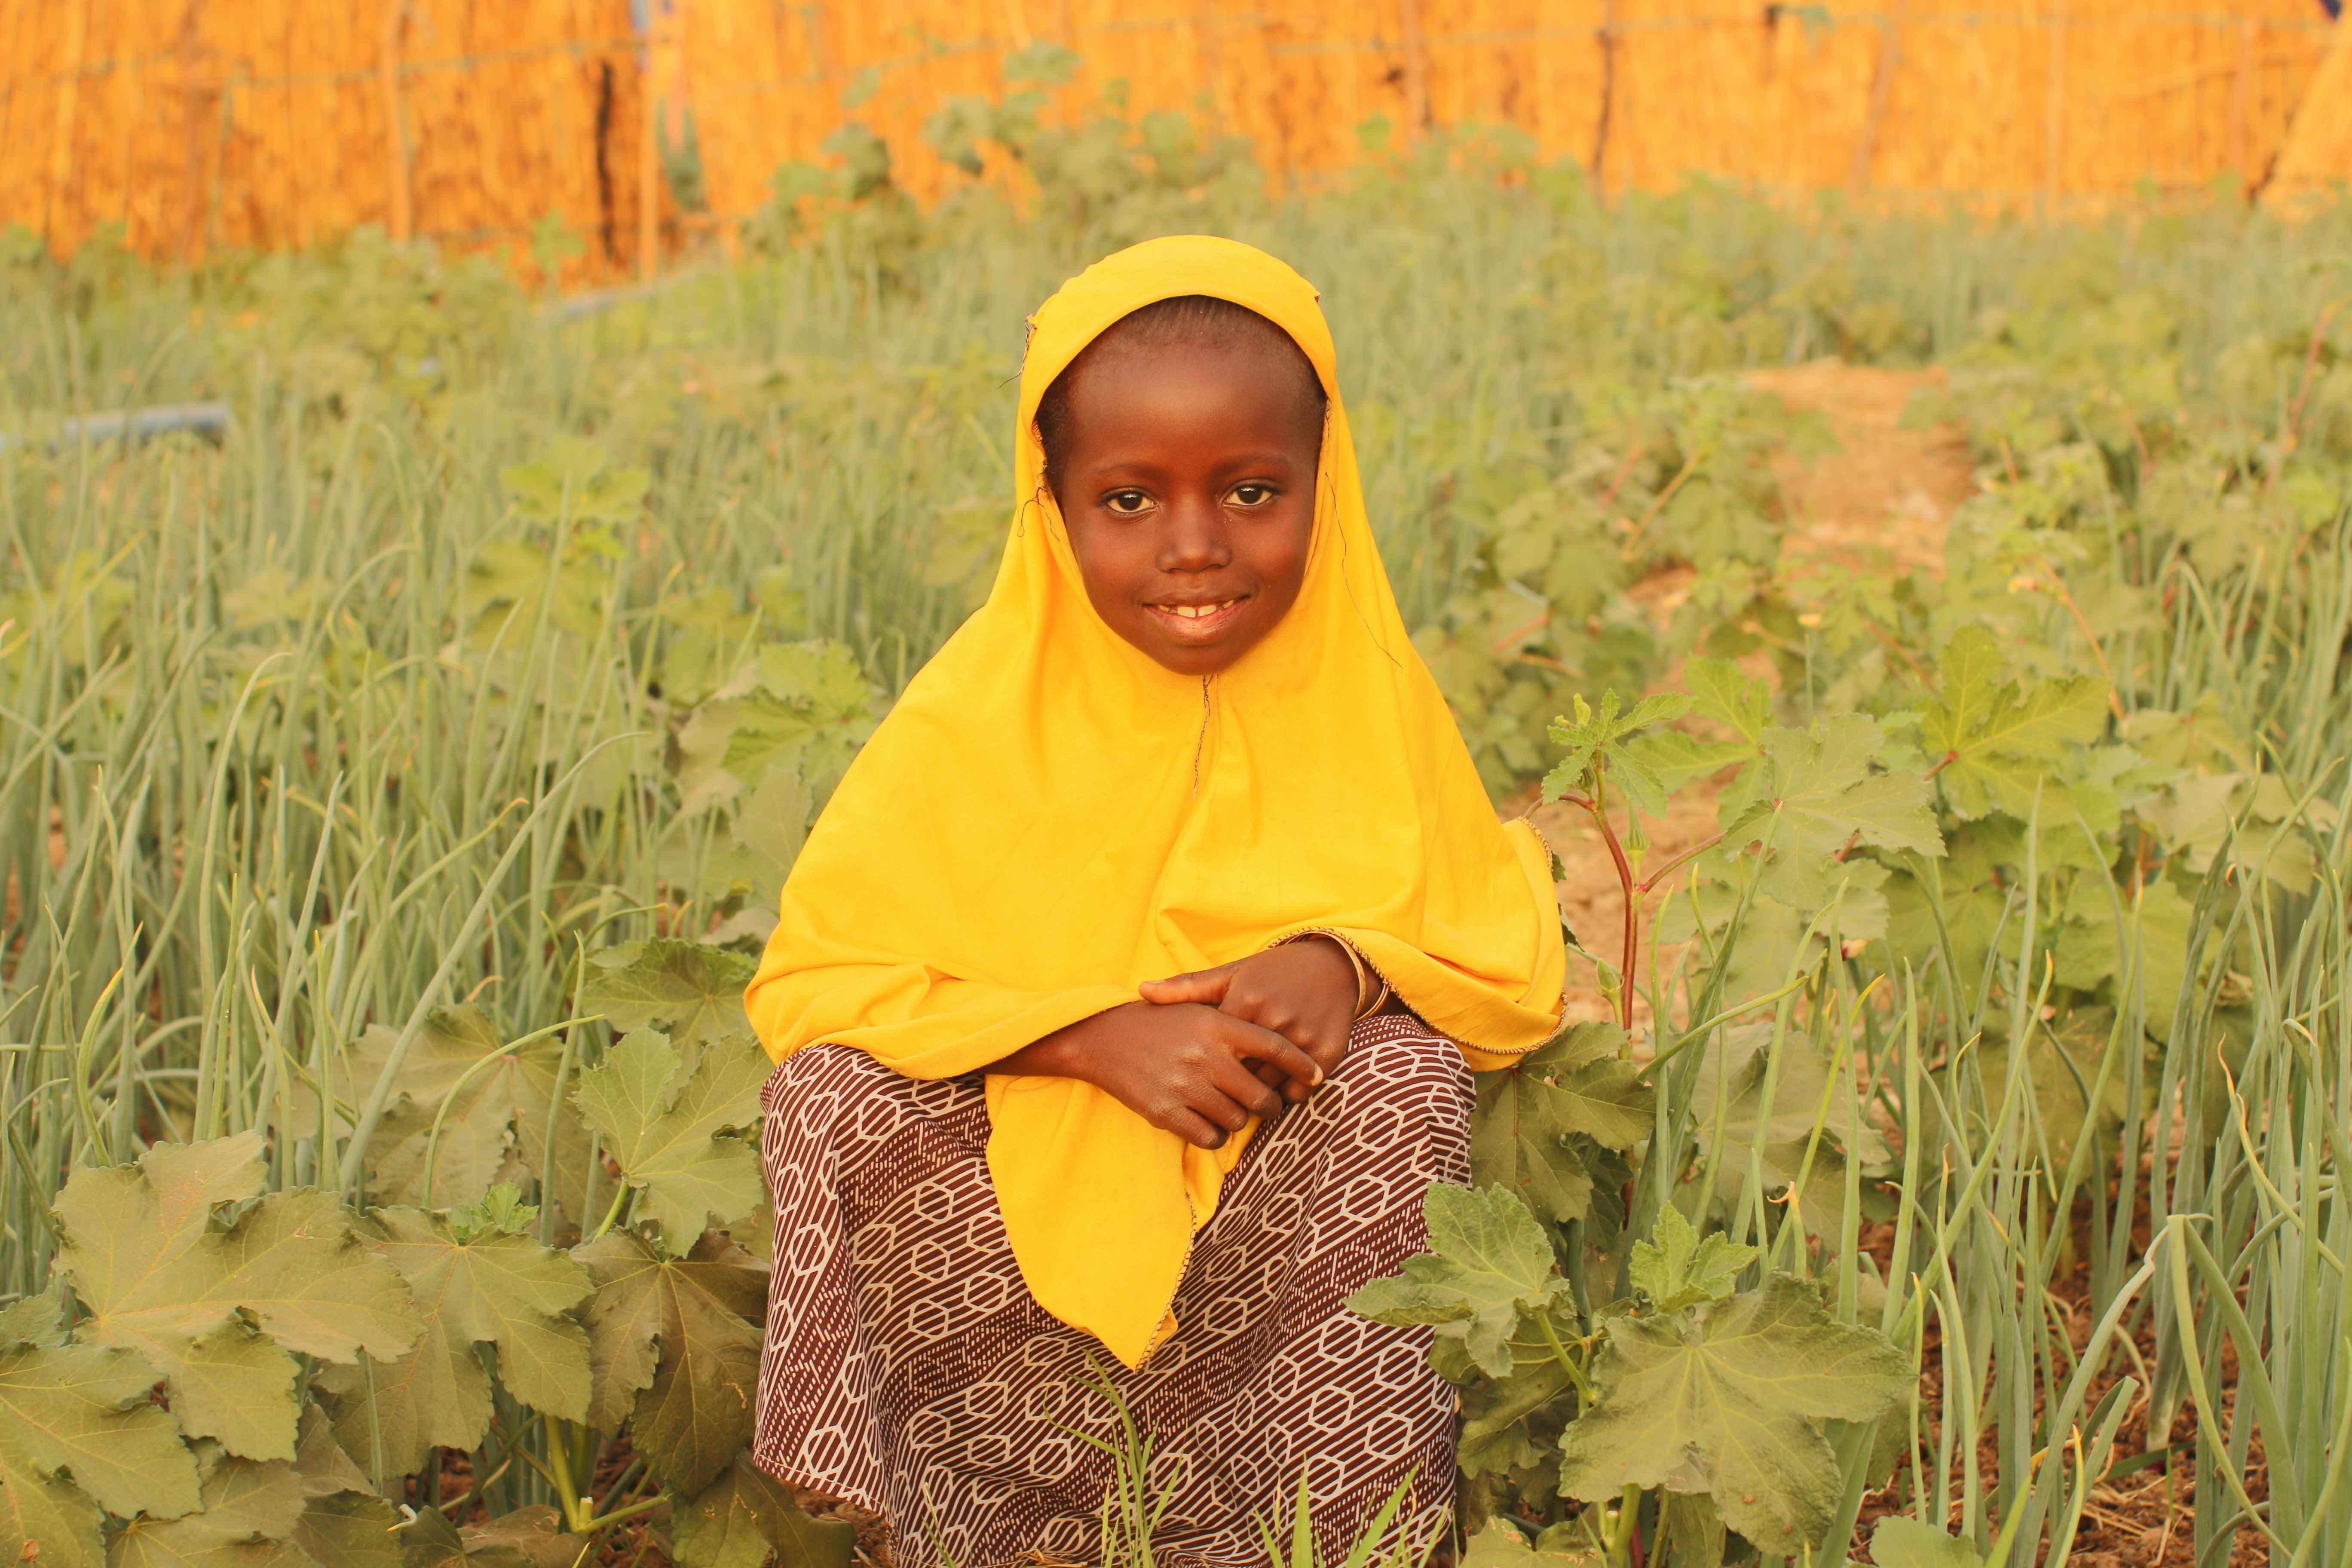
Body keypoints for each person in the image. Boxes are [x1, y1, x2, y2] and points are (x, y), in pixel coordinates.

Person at [745, 236, 1565, 1568]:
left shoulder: (1368, 694)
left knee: (1407, 1074)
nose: (1194, 548)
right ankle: (952, 1529)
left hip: (1259, 1234)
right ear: (1053, 504)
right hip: (1007, 1224)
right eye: (1129, 502)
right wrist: (1086, 1038)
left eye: (1251, 492)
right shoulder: (973, 718)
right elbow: (810, 985)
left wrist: (1344, 963)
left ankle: (1308, 1535)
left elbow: (1501, 945)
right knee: (829, 1095)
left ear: (1327, 487)